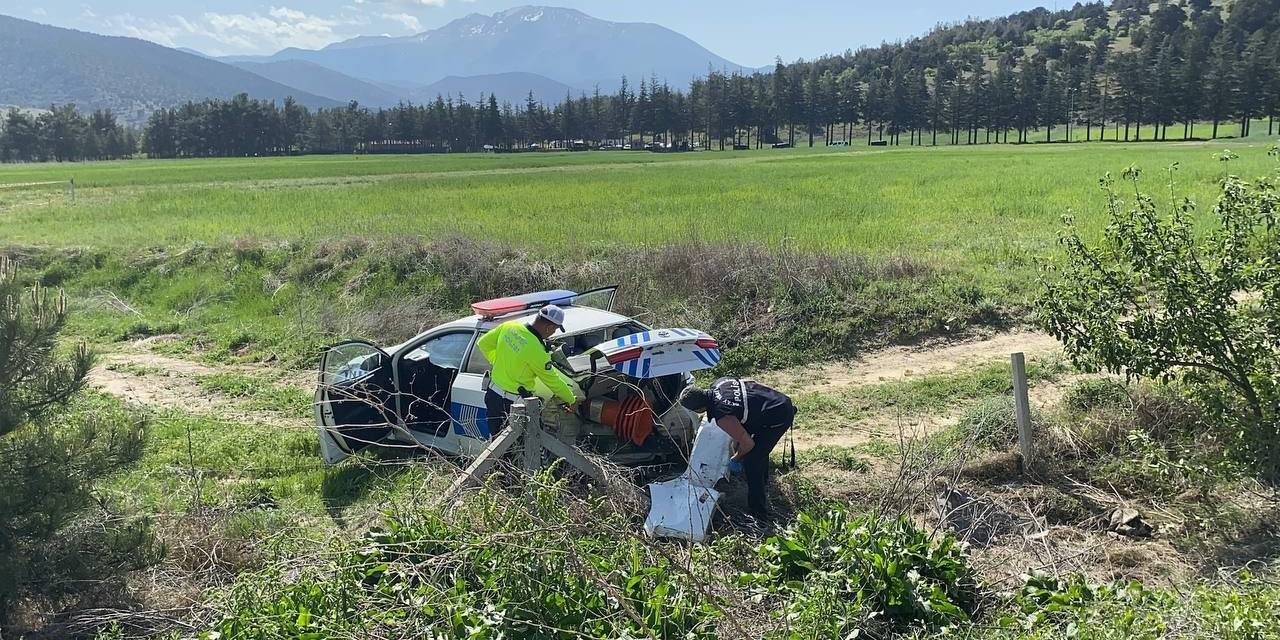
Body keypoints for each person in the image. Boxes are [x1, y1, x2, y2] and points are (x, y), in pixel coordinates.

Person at [679, 378, 795, 518]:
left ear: (698, 409)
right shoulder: (720, 383)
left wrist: (736, 458)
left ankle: (759, 511)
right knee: (756, 450)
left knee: (752, 460)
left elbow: (748, 444)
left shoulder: (723, 416)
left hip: (779, 415)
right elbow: (750, 382)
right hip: (776, 399)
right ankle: (764, 481)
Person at [476, 304, 581, 435]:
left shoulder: (509, 326)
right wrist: (571, 399)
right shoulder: (536, 351)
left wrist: (498, 362)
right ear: (549, 327)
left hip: (492, 395)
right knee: (521, 444)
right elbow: (552, 381)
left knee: (497, 441)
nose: (553, 333)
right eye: (554, 329)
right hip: (513, 406)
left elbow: (483, 344)